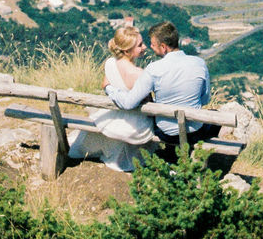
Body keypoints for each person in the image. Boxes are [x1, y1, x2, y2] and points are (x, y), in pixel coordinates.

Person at [105, 20, 211, 154]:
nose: (149, 47)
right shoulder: (200, 63)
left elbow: (128, 102)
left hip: (167, 133)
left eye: (153, 44)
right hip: (195, 130)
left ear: (163, 47)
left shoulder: (153, 70)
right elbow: (205, 100)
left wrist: (109, 88)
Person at [66, 25, 156, 172]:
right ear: (127, 51)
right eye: (140, 45)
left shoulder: (110, 63)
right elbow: (148, 103)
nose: (145, 47)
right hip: (134, 124)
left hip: (113, 114)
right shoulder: (139, 74)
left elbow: (105, 84)